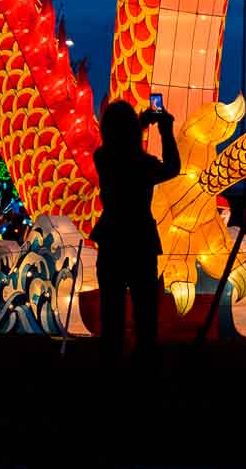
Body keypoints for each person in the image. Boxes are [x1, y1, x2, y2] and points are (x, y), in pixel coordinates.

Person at [90, 99, 178, 366]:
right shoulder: (145, 164)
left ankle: (112, 357)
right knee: (145, 309)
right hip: (141, 238)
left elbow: (116, 149)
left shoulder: (103, 159)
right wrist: (165, 130)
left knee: (111, 307)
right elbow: (173, 168)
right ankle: (145, 358)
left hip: (112, 238)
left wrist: (137, 124)